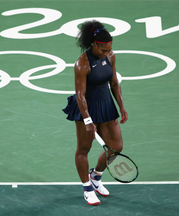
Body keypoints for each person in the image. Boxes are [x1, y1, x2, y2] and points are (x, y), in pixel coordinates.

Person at [62, 20, 128, 205]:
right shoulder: (82, 63)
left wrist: (121, 106)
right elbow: (80, 95)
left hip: (106, 105)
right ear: (95, 45)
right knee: (84, 150)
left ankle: (96, 176)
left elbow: (114, 83)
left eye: (109, 50)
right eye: (103, 51)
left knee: (116, 147)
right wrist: (88, 121)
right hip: (87, 107)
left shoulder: (111, 57)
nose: (106, 54)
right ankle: (87, 187)